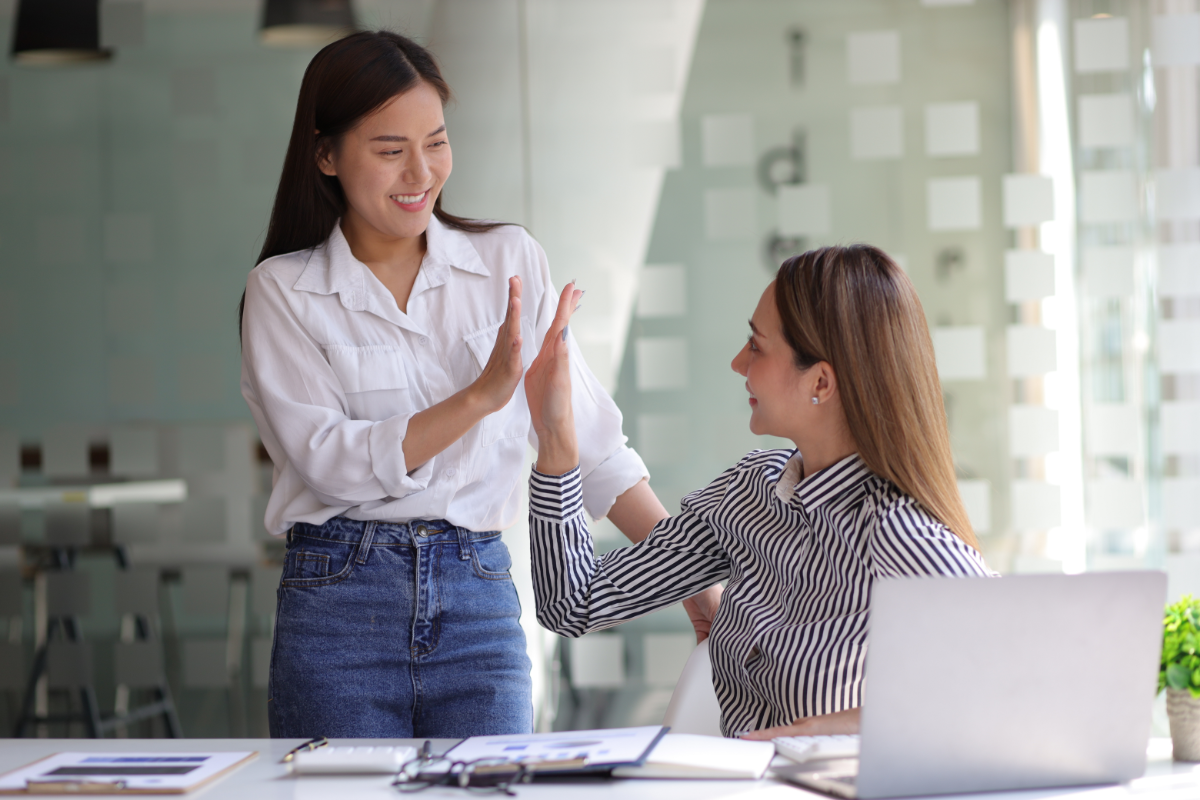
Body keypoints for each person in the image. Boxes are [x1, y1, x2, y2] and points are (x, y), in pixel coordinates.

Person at [238, 30, 718, 739]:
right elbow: (330, 464)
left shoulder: (507, 263)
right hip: (339, 610)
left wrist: (694, 583)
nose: (420, 172)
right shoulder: (282, 291)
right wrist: (479, 398)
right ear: (326, 155)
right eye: (389, 149)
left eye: (435, 142)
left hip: (478, 603)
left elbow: (591, 445)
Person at [524, 245, 995, 739]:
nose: (736, 363)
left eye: (757, 346)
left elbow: (1012, 677)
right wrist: (556, 435)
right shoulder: (750, 493)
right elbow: (573, 601)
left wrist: (810, 734)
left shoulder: (895, 530)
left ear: (820, 382)